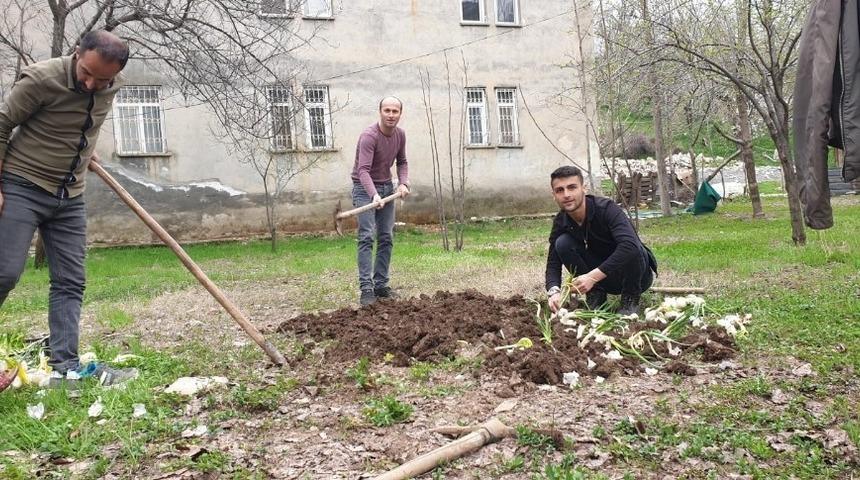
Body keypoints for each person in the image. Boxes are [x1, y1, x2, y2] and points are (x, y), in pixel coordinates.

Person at [0, 30, 139, 387]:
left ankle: (65, 368)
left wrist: (79, 150)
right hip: (21, 186)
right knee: (5, 273)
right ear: (77, 54)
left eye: (102, 79)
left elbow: (81, 124)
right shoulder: (41, 79)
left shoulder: (111, 85)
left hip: (70, 195)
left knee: (70, 281)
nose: (92, 83)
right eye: (86, 73)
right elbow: (2, 124)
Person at [545, 165, 657, 315]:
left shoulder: (607, 209)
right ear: (554, 195)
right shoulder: (561, 221)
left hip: (635, 275)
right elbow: (553, 260)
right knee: (562, 243)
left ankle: (630, 298)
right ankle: (595, 294)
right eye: (560, 190)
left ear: (584, 188)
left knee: (631, 246)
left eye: (572, 187)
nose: (566, 194)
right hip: (601, 279)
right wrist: (554, 291)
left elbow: (630, 247)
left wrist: (592, 277)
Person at [350, 96, 410, 306]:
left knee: (386, 237)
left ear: (400, 114)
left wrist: (403, 183)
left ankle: (381, 286)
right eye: (387, 110)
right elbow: (362, 170)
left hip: (386, 187)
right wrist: (374, 194)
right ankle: (367, 290)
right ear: (380, 112)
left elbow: (402, 162)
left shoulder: (400, 135)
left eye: (395, 111)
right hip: (363, 188)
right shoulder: (369, 136)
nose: (391, 115)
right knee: (366, 237)